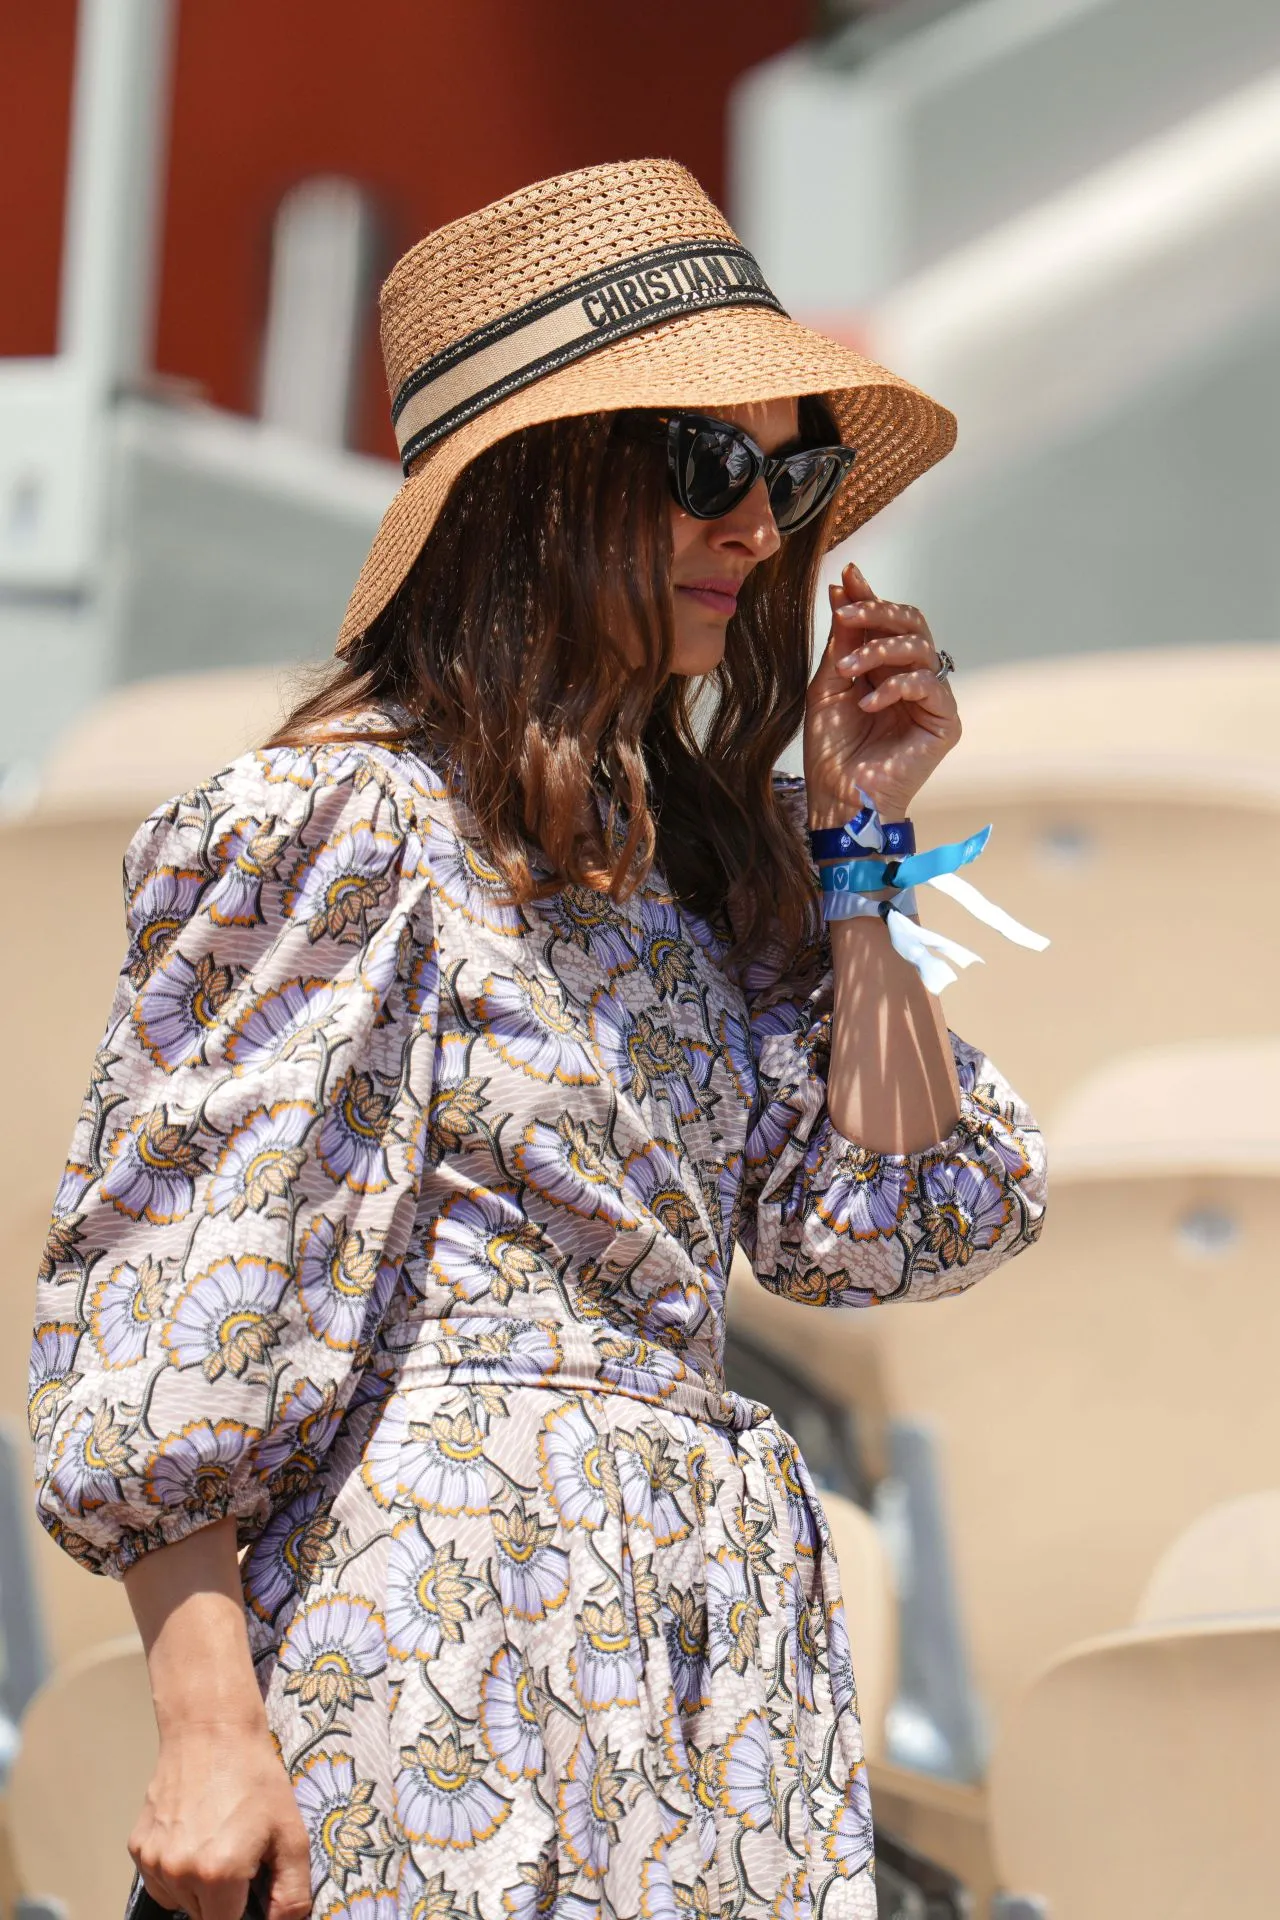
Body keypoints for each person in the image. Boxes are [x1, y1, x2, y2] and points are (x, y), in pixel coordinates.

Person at [29, 159, 1046, 1920]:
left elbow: (888, 1221)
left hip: (702, 1678)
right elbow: (175, 1293)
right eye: (710, 465)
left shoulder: (700, 877)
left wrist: (861, 852)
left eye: (789, 475)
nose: (759, 527)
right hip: (439, 1638)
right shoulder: (334, 822)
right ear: (535, 490)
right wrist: (205, 1726)